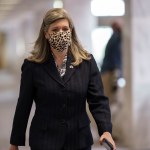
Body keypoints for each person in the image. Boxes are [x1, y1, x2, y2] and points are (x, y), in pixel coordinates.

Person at [9, 8, 116, 150]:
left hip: (79, 139)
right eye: (55, 30)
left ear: (71, 31)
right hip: (44, 140)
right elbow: (24, 104)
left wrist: (106, 130)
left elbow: (98, 100)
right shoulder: (33, 66)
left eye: (65, 28)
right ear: (46, 33)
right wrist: (14, 142)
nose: (61, 33)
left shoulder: (87, 62)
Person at [101, 20, 123, 140]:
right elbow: (115, 61)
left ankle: (108, 131)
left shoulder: (113, 39)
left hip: (108, 73)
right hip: (110, 74)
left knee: (111, 104)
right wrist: (116, 78)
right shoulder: (116, 38)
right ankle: (107, 131)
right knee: (113, 103)